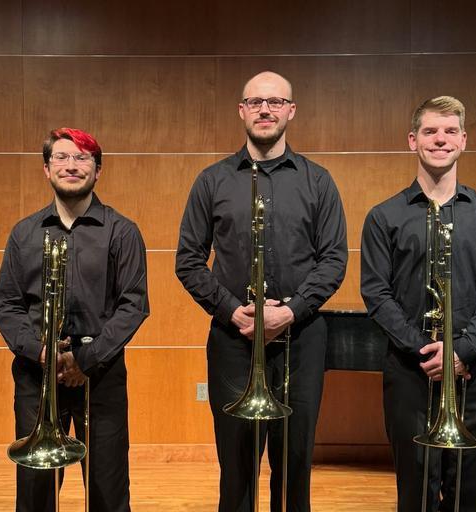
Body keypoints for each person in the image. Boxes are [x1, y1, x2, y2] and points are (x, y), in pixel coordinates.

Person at [175, 71, 348, 512]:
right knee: (236, 468)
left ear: (291, 110)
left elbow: (333, 260)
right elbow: (189, 261)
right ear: (242, 110)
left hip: (301, 338)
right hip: (234, 338)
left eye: (275, 102)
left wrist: (289, 312)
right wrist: (235, 312)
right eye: (255, 102)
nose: (265, 110)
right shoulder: (211, 181)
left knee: (295, 465)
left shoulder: (319, 181)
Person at [359, 95, 476, 512]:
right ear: (413, 141)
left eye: (450, 131)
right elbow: (376, 294)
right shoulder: (384, 216)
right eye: (430, 131)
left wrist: (460, 351)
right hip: (412, 372)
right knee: (416, 495)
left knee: (472, 494)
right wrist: (425, 351)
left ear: (464, 140)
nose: (440, 139)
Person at [0, 128, 150, 512]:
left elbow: (133, 304)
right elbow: (6, 304)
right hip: (36, 372)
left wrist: (85, 360)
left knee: (108, 487)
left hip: (102, 372)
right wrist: (40, 352)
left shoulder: (122, 231)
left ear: (98, 170)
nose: (72, 165)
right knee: (35, 489)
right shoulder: (23, 233)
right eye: (61, 158)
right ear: (46, 170)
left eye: (83, 158)